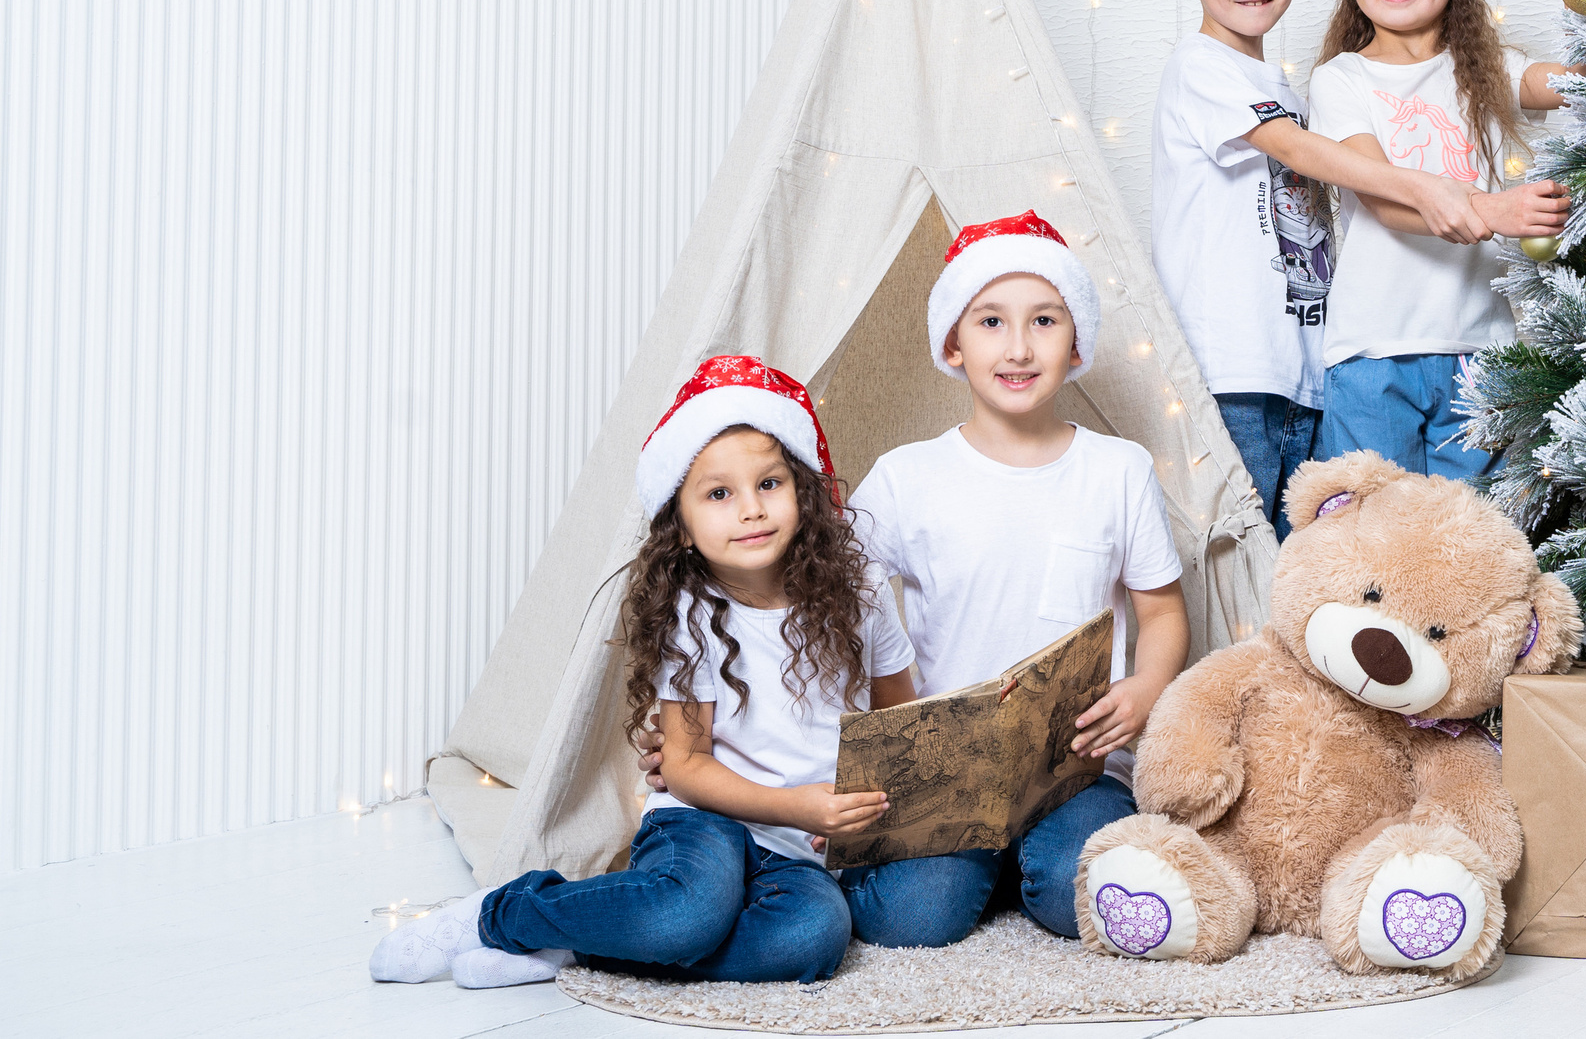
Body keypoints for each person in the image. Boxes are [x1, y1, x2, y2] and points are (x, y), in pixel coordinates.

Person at [370, 357, 914, 989]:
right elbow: (684, 765)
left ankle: (581, 944)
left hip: (800, 848)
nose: (751, 510)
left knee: (813, 939)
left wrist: (847, 814)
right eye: (718, 494)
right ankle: (502, 913)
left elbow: (900, 717)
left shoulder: (862, 588)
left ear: (802, 491)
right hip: (704, 817)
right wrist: (797, 806)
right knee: (686, 915)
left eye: (769, 483)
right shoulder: (694, 610)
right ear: (681, 528)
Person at [1153, 0, 1567, 536]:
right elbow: (1314, 158)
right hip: (1247, 363)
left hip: (1306, 368)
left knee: (1376, 553)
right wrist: (1467, 200)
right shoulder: (1222, 68)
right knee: (1320, 556)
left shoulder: (1275, 86)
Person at [840, 210, 1188, 946]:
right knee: (913, 919)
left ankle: (1025, 863)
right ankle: (970, 865)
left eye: (1045, 320)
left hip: (1078, 769)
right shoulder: (907, 478)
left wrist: (1146, 688)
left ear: (1077, 341)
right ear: (954, 344)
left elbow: (1161, 612)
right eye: (992, 321)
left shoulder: (1116, 470)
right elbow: (834, 604)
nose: (1020, 347)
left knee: (1084, 895)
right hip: (948, 772)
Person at [1308, 0, 1586, 481]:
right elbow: (1384, 198)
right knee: (1371, 547)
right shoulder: (1340, 79)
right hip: (1373, 351)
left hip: (1480, 354)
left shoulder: (1493, 71)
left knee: (1471, 551)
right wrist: (1497, 211)